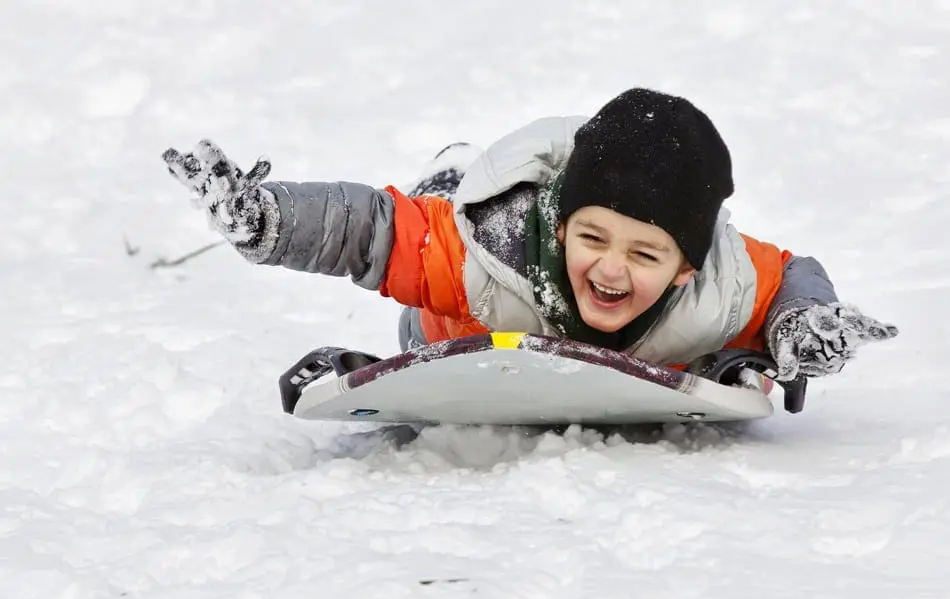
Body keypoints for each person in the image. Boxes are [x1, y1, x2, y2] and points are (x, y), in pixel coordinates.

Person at [161, 87, 898, 382]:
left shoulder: (719, 282)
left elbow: (788, 275)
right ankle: (449, 177)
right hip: (467, 315)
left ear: (683, 268)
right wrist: (270, 219)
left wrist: (802, 327)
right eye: (594, 238)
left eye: (645, 254)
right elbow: (370, 231)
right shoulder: (491, 250)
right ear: (562, 221)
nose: (612, 267)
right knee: (432, 223)